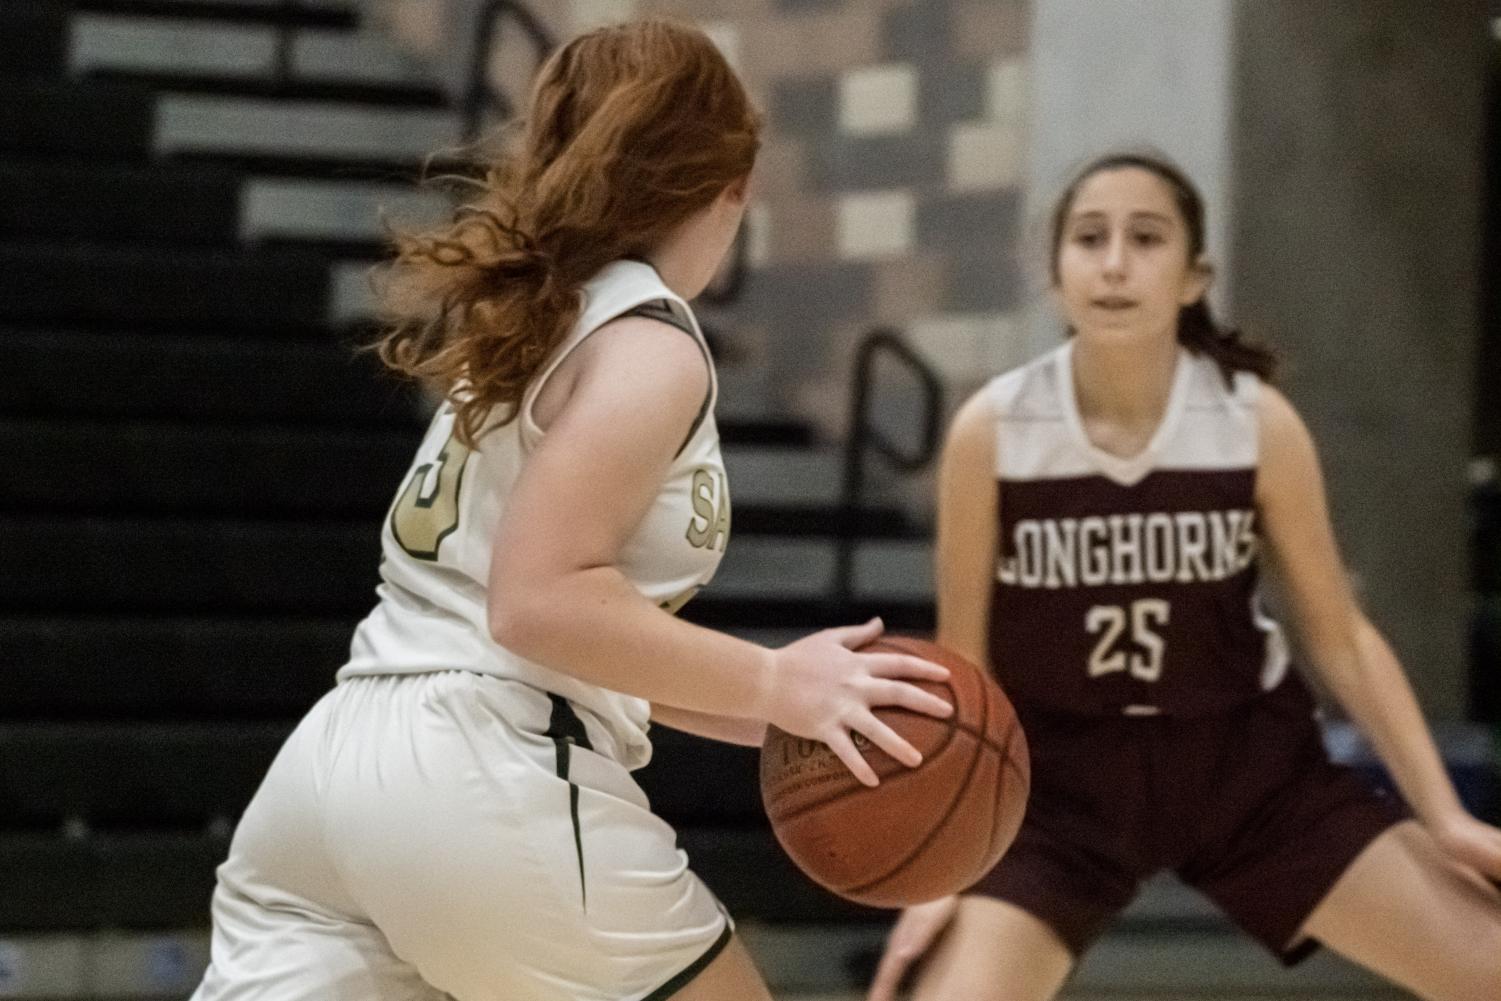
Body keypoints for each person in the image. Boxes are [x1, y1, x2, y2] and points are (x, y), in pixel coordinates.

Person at [190, 20, 953, 1001]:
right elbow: (539, 606)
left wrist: (788, 713)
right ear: (734, 188)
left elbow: (575, 631)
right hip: (483, 769)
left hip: (333, 773)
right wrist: (771, 678)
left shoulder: (534, 313)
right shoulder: (648, 341)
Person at [867, 151, 1501, 1001]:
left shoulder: (1253, 422)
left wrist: (1445, 814)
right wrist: (942, 868)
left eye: (1146, 237)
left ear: (1194, 275)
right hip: (1056, 793)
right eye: (1089, 238)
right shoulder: (993, 430)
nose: (1115, 261)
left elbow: (1341, 636)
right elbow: (966, 665)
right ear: (1054, 274)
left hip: (1246, 772)